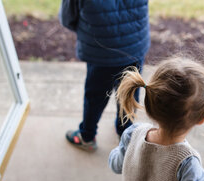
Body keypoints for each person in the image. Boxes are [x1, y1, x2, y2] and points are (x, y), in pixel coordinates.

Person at [62, 0, 150, 151]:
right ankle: (125, 135)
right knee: (129, 93)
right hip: (133, 46)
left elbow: (68, 17)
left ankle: (87, 136)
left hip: (101, 49)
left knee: (95, 97)